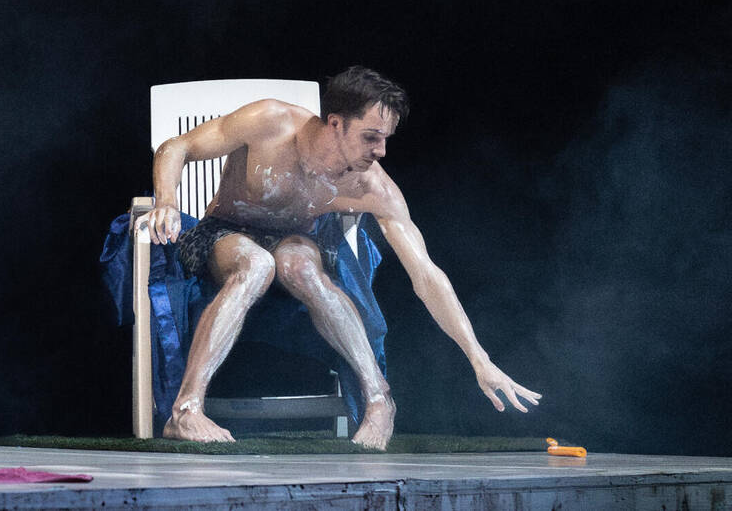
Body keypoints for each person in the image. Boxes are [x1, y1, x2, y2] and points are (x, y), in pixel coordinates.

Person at [136, 66, 539, 450]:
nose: (380, 151)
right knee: (257, 264)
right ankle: (185, 411)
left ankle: (380, 401)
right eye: (371, 137)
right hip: (224, 231)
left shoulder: (369, 186)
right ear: (335, 123)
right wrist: (167, 202)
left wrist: (479, 358)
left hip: (295, 239)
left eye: (386, 139)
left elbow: (426, 275)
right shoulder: (271, 122)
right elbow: (178, 146)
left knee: (300, 268)